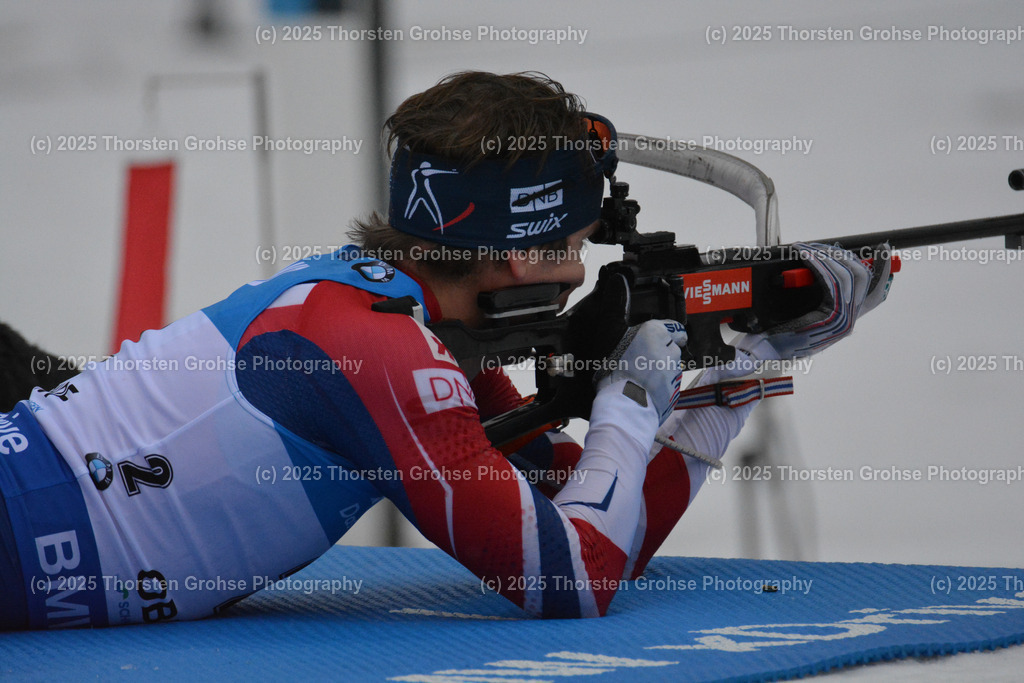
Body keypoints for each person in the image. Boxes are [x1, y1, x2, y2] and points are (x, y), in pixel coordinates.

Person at [0, 71, 890, 629]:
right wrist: (629, 396)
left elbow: (586, 513)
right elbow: (573, 578)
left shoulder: (393, 317)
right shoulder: (382, 352)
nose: (583, 274)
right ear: (520, 253)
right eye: (580, 244)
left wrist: (739, 363)